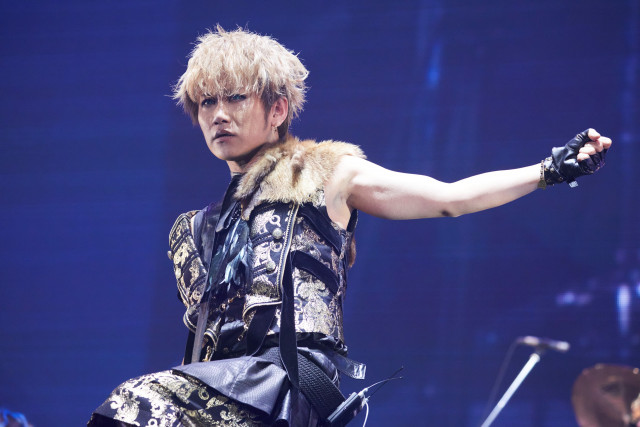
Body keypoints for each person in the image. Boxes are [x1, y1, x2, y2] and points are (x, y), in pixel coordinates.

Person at [88, 26, 611, 426]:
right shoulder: (195, 230)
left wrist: (549, 170)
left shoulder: (326, 174)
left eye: (234, 97)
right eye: (207, 102)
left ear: (277, 109)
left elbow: (449, 199)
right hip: (226, 392)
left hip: (290, 382)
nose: (218, 114)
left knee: (133, 404)